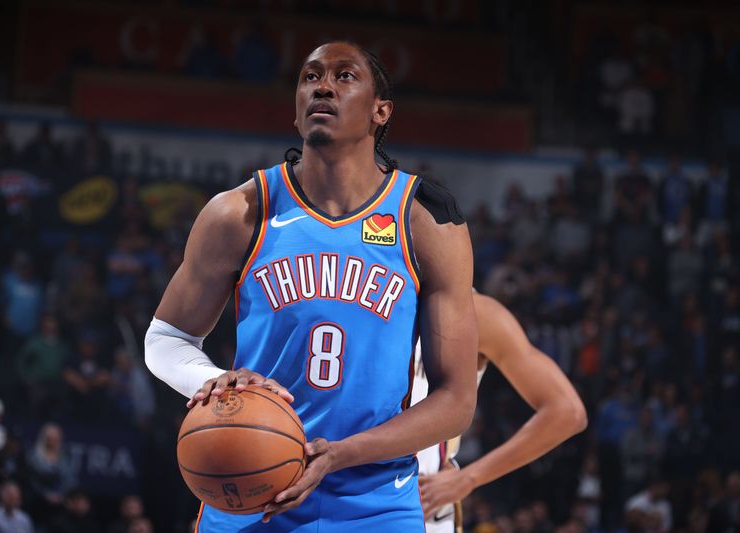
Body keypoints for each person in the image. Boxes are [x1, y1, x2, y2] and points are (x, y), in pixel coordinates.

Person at [145, 41, 479, 532]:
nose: (323, 85)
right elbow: (165, 340)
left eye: (345, 77)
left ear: (380, 111)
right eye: (310, 77)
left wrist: (339, 455)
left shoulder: (425, 220)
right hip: (249, 491)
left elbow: (456, 402)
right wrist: (208, 379)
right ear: (297, 113)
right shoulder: (239, 213)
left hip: (376, 498)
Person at [416, 291, 588, 532]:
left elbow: (568, 412)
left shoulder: (477, 311)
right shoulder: (361, 288)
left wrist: (468, 478)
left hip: (422, 501)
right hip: (353, 483)